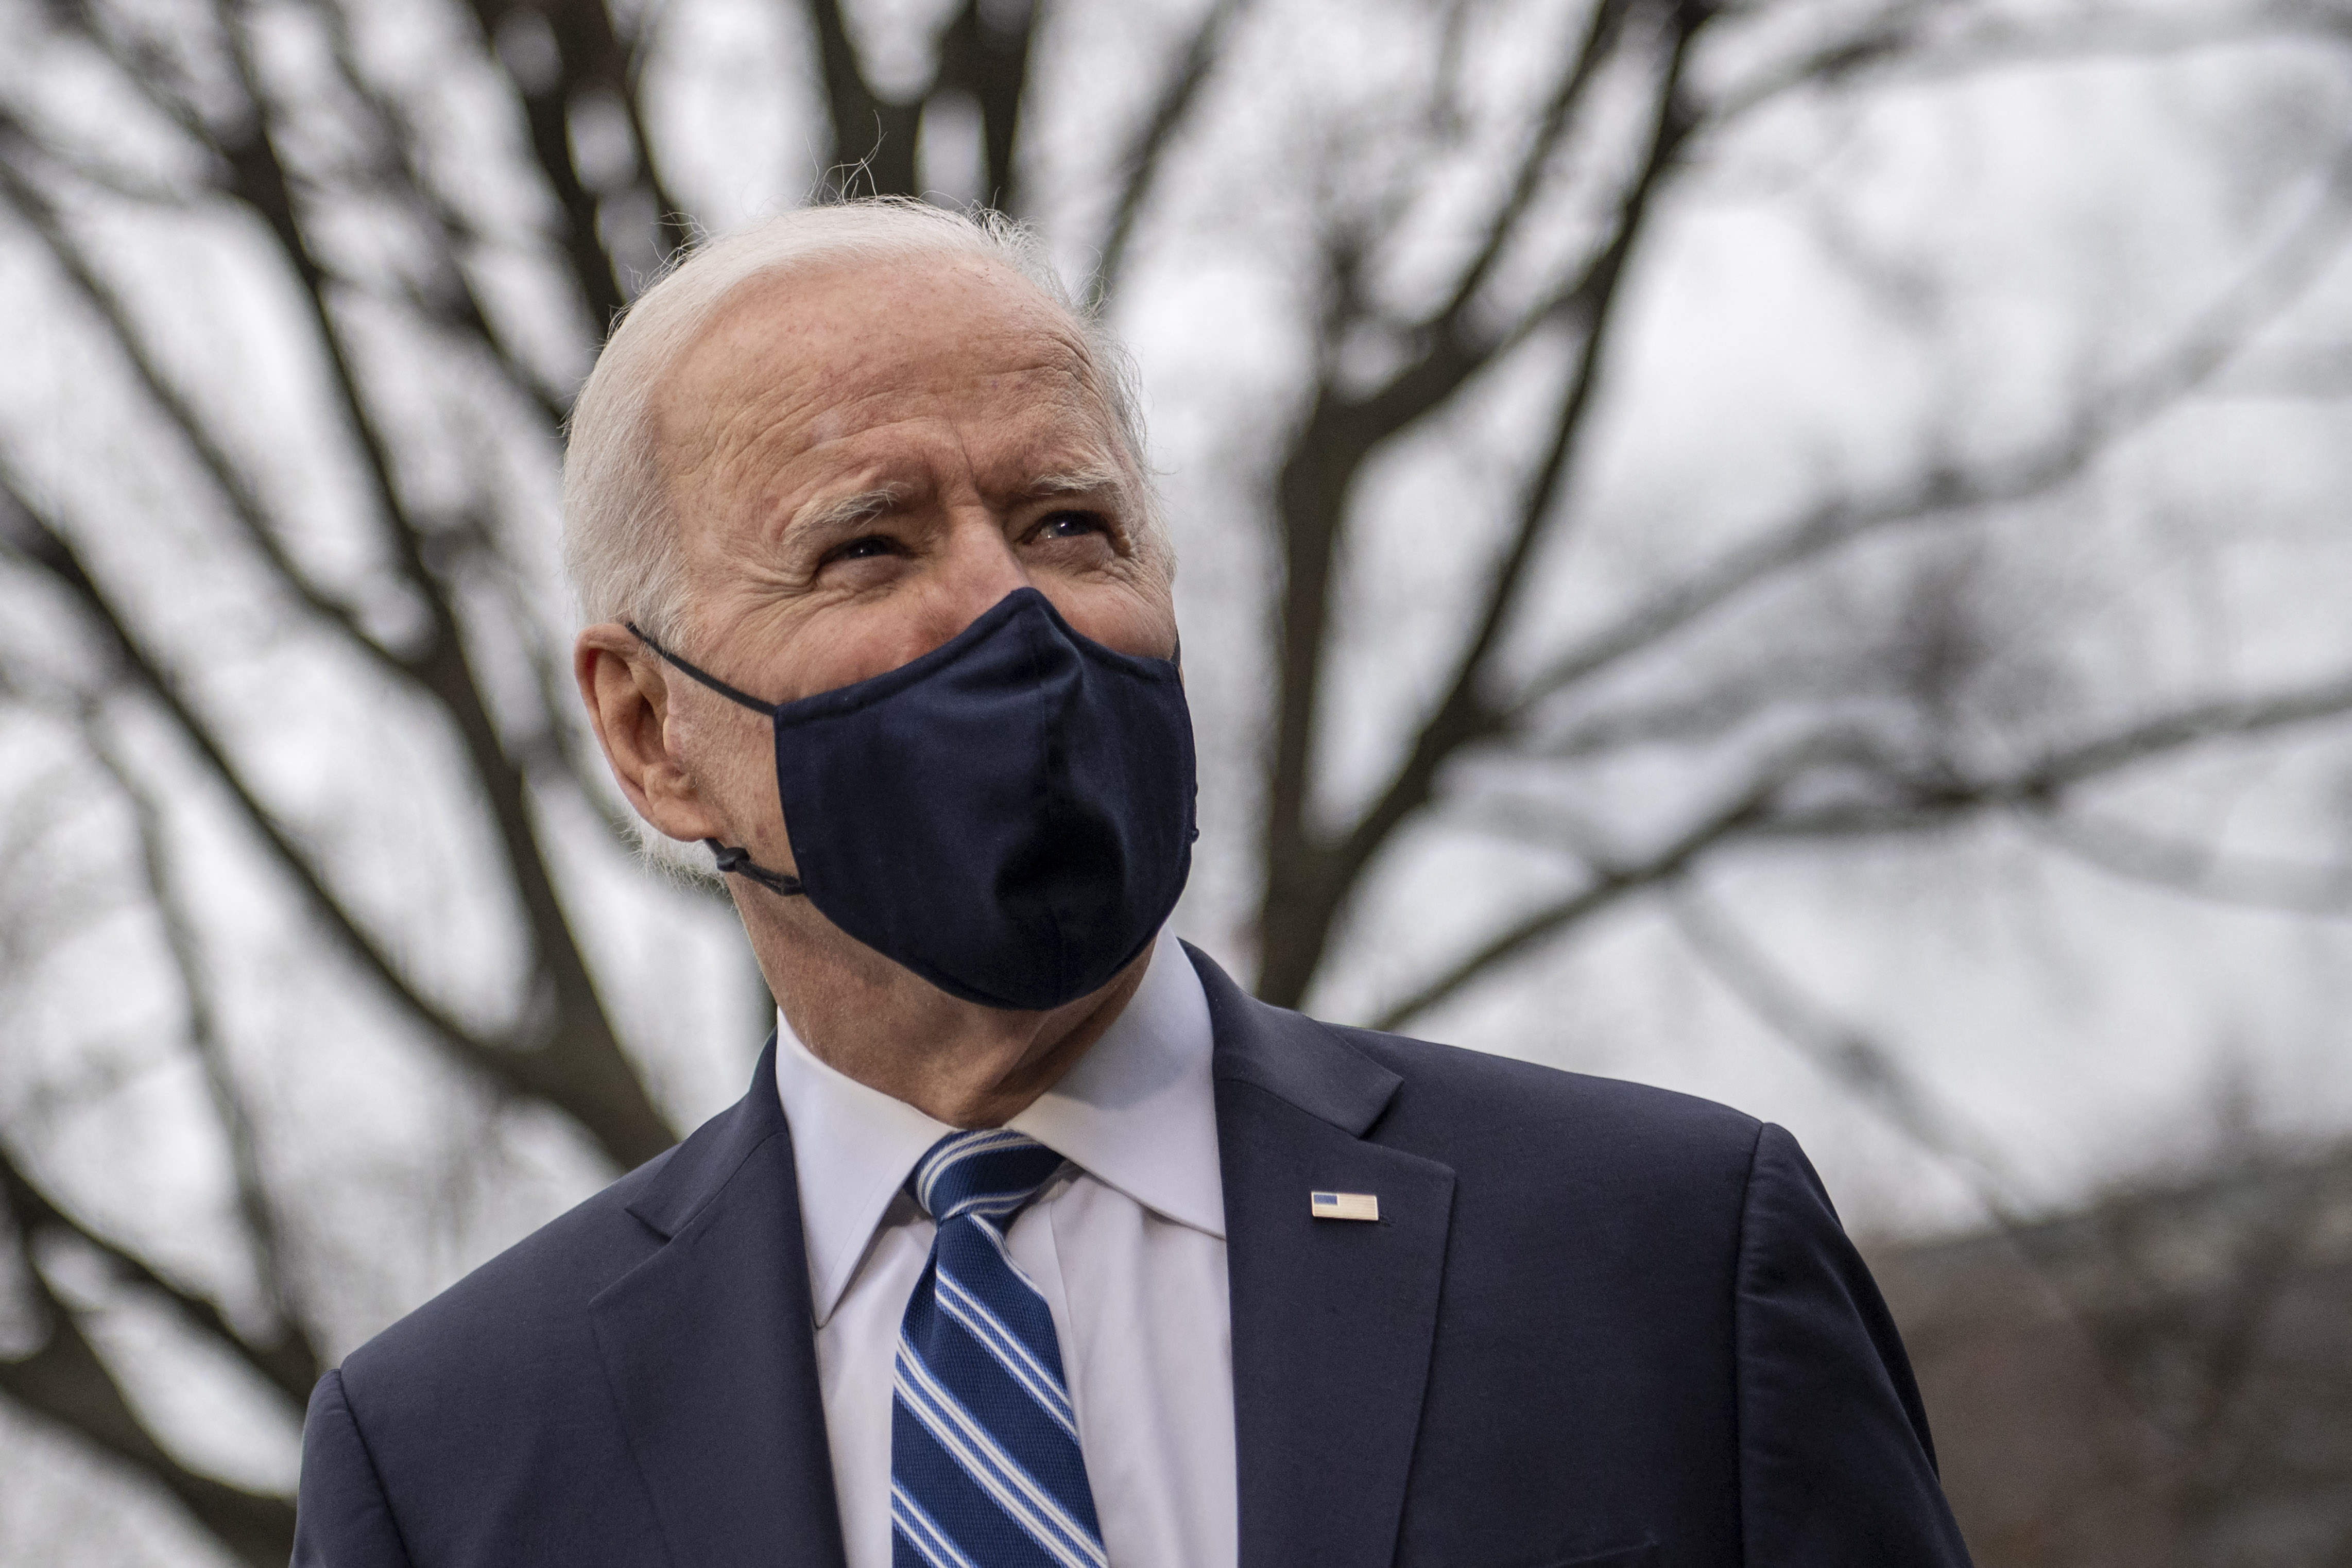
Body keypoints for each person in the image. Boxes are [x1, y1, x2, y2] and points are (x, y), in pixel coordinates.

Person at [290, 200, 1973, 1568]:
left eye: (1071, 524)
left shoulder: (1661, 1258)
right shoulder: (449, 1465)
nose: (1013, 615)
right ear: (652, 730)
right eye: (871, 543)